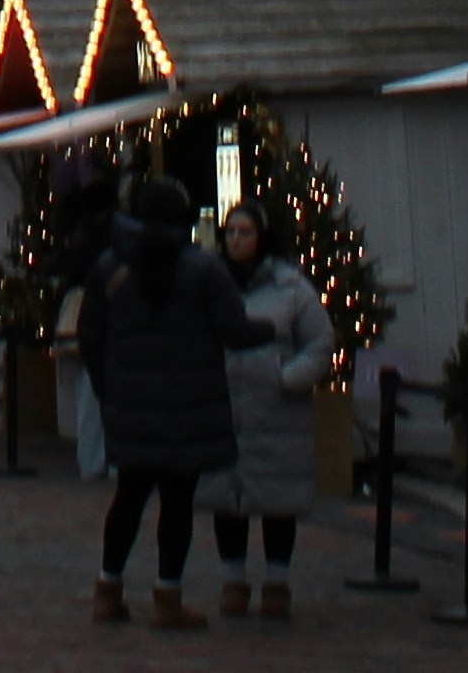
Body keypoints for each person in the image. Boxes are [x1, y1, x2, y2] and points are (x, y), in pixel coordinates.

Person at [85, 175, 252, 628]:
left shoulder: (110, 267)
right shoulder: (202, 269)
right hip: (188, 403)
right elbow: (235, 329)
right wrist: (273, 330)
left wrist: (108, 388)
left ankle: (107, 589)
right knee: (177, 503)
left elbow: (90, 335)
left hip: (131, 403)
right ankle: (167, 596)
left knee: (129, 496)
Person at [197, 197, 335, 620]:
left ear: (262, 237)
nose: (236, 240)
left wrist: (287, 377)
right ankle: (233, 579)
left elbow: (320, 342)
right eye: (231, 232)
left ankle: (277, 580)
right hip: (222, 405)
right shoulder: (210, 282)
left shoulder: (291, 288)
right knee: (226, 496)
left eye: (245, 232)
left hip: (276, 411)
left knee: (278, 499)